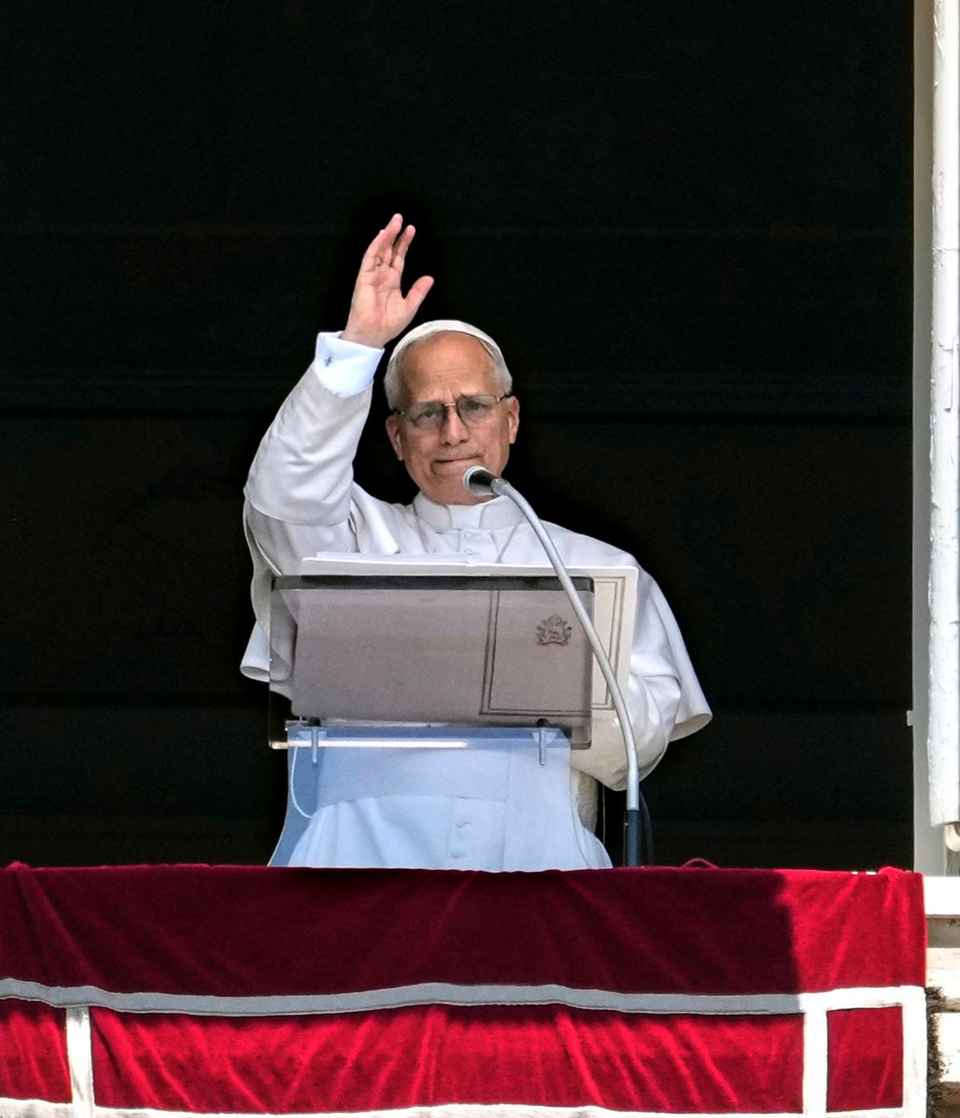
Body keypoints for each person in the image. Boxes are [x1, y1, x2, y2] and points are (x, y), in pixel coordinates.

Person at [241, 214, 710, 870]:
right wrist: (356, 348)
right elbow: (280, 498)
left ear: (511, 419)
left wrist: (524, 673)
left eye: (474, 406)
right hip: (358, 867)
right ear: (398, 437)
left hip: (537, 870)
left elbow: (638, 742)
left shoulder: (593, 566)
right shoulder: (352, 542)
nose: (453, 431)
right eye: (427, 413)